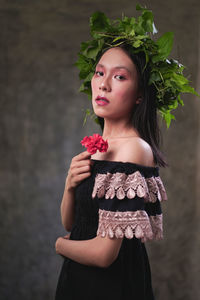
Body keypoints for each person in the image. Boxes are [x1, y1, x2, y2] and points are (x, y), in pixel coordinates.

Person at [55, 6, 198, 300]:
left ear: (140, 95)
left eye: (120, 77)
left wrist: (59, 246)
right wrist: (70, 186)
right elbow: (74, 224)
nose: (103, 84)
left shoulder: (134, 148)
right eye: (99, 72)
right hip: (79, 279)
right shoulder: (100, 146)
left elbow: (103, 254)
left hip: (109, 286)